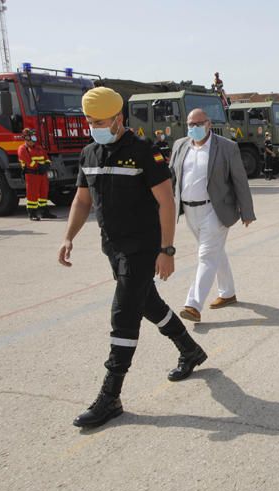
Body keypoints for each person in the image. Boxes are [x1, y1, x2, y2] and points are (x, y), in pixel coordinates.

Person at [59, 87, 207, 429]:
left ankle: (110, 397)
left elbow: (167, 202)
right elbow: (82, 201)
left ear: (118, 119)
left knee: (123, 314)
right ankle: (190, 350)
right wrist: (68, 237)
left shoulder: (143, 152)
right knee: (148, 304)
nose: (93, 126)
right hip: (113, 247)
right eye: (89, 121)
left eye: (100, 121)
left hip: (142, 248)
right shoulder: (89, 154)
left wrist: (167, 250)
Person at [169, 108, 256, 323]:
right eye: (190, 124)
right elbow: (172, 176)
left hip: (215, 210)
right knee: (215, 251)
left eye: (198, 124)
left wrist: (247, 211)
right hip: (189, 210)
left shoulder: (226, 147)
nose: (194, 128)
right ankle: (227, 293)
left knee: (206, 255)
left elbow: (239, 180)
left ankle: (193, 305)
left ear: (208, 124)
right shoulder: (180, 145)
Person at [18, 128, 56, 221]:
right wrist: (39, 166)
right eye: (31, 138)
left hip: (42, 174)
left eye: (33, 138)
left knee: (44, 192)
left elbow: (46, 157)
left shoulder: (39, 147)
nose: (32, 141)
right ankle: (32, 213)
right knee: (32, 194)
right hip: (32, 175)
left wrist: (47, 164)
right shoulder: (23, 149)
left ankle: (44, 212)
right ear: (26, 138)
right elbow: (28, 162)